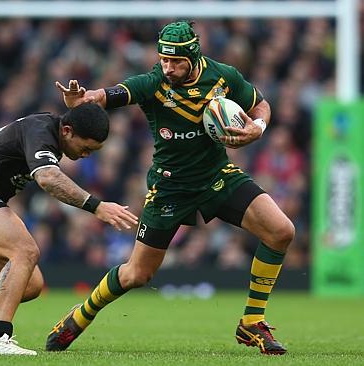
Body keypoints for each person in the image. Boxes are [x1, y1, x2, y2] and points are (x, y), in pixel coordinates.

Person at [45, 21, 294, 355]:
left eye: (176, 61)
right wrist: (85, 100)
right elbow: (111, 94)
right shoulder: (153, 83)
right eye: (164, 59)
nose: (168, 67)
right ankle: (80, 316)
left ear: (193, 57)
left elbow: (259, 103)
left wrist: (258, 127)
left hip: (217, 176)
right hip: (169, 187)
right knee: (137, 274)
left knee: (281, 231)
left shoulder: (224, 77)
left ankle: (251, 323)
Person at [0, 103, 138, 355]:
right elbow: (48, 178)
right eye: (85, 148)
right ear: (67, 130)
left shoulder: (41, 130)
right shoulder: (42, 132)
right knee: (25, 251)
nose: (86, 155)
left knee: (31, 284)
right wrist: (96, 206)